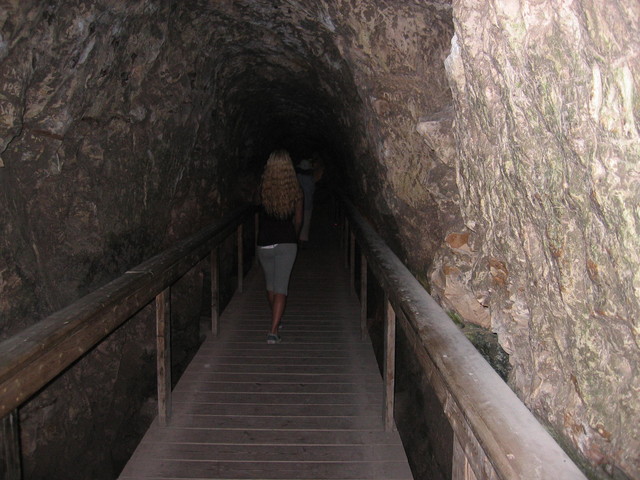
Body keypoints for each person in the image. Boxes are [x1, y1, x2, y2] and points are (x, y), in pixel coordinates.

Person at [257, 150, 304, 344]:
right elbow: (299, 219)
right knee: (281, 287)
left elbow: (255, 204)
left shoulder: (262, 188)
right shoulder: (296, 190)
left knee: (271, 285)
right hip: (286, 241)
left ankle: (276, 320)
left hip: (265, 242)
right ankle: (273, 330)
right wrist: (295, 235)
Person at [295, 158, 315, 244]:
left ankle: (296, 240)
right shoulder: (311, 179)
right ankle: (302, 241)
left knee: (297, 222)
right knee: (306, 223)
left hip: (297, 204)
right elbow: (312, 191)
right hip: (308, 204)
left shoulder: (297, 177)